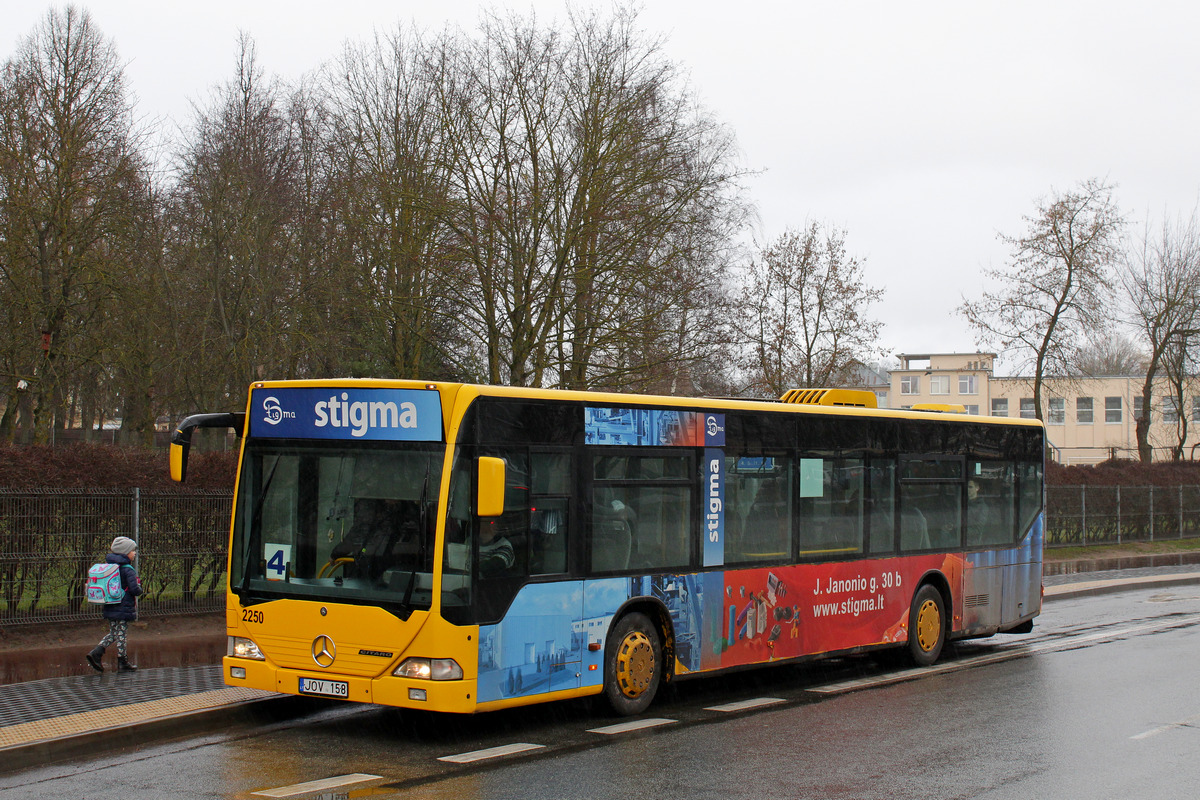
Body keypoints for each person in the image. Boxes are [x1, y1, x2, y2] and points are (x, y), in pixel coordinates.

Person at [86, 536, 144, 673]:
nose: (134, 553)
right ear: (125, 552)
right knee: (121, 634)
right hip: (123, 607)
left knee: (114, 632)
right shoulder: (127, 569)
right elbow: (134, 589)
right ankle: (122, 662)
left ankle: (97, 653)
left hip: (110, 604)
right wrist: (140, 589)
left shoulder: (110, 567)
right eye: (132, 550)